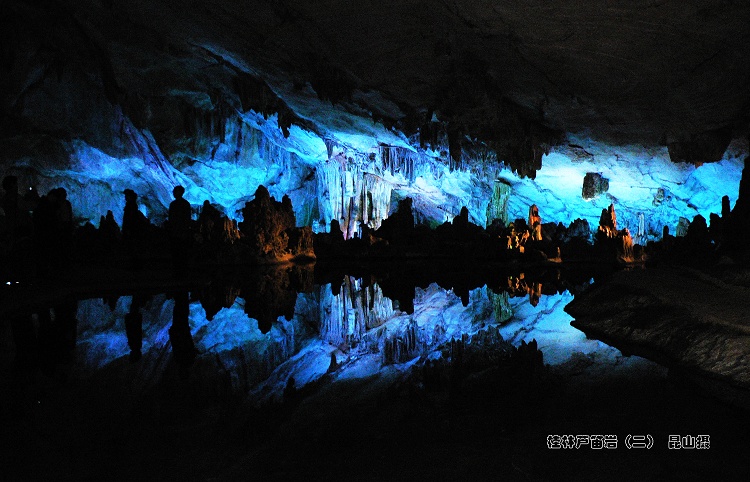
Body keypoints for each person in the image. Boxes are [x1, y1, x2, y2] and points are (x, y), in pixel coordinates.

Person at [167, 186, 192, 273]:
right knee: (181, 253)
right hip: (181, 232)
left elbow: (172, 219)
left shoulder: (175, 205)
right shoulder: (185, 204)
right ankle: (182, 271)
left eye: (174, 191)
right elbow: (188, 219)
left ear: (179, 192)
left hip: (177, 232)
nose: (173, 193)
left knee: (178, 253)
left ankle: (178, 271)